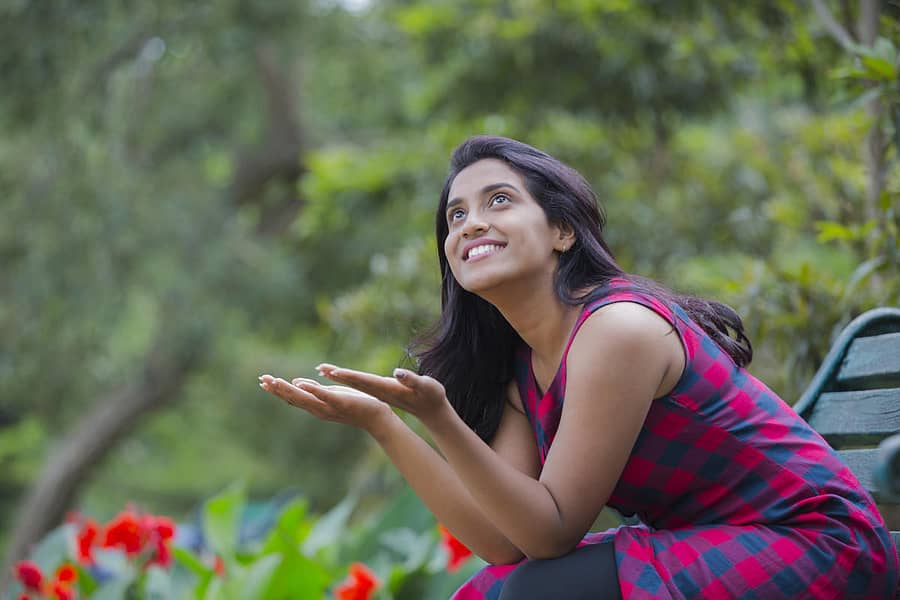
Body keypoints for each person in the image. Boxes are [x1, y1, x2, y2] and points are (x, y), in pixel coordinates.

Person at [259, 136, 899, 599]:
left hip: (817, 546)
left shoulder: (617, 329)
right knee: (487, 591)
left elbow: (552, 532)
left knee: (538, 593)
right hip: (719, 541)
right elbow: (505, 541)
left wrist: (440, 416)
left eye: (498, 200)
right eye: (456, 215)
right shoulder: (522, 367)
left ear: (561, 231)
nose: (471, 224)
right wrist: (384, 424)